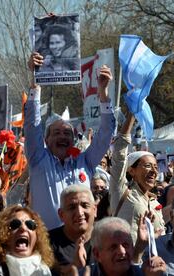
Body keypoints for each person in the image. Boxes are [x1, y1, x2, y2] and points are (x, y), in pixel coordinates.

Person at [25, 53, 115, 230]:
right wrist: (35, 82)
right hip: (46, 243)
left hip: (79, 241)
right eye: (56, 133)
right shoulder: (37, 159)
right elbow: (31, 125)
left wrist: (103, 93)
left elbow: (105, 134)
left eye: (67, 133)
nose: (62, 137)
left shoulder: (85, 162)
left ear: (73, 140)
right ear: (46, 139)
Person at [109, 112, 165, 243]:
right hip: (125, 261)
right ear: (132, 171)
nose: (153, 171)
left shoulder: (155, 202)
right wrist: (132, 114)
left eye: (156, 167)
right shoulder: (121, 191)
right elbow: (119, 151)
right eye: (147, 166)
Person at [80, 217, 166, 276]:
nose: (122, 251)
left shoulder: (143, 274)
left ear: (132, 247)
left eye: (126, 245)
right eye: (113, 247)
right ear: (97, 254)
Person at [48, 185, 96, 275]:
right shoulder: (46, 242)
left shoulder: (108, 238)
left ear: (95, 210)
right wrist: (73, 267)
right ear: (61, 214)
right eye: (72, 207)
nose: (79, 213)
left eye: (85, 205)